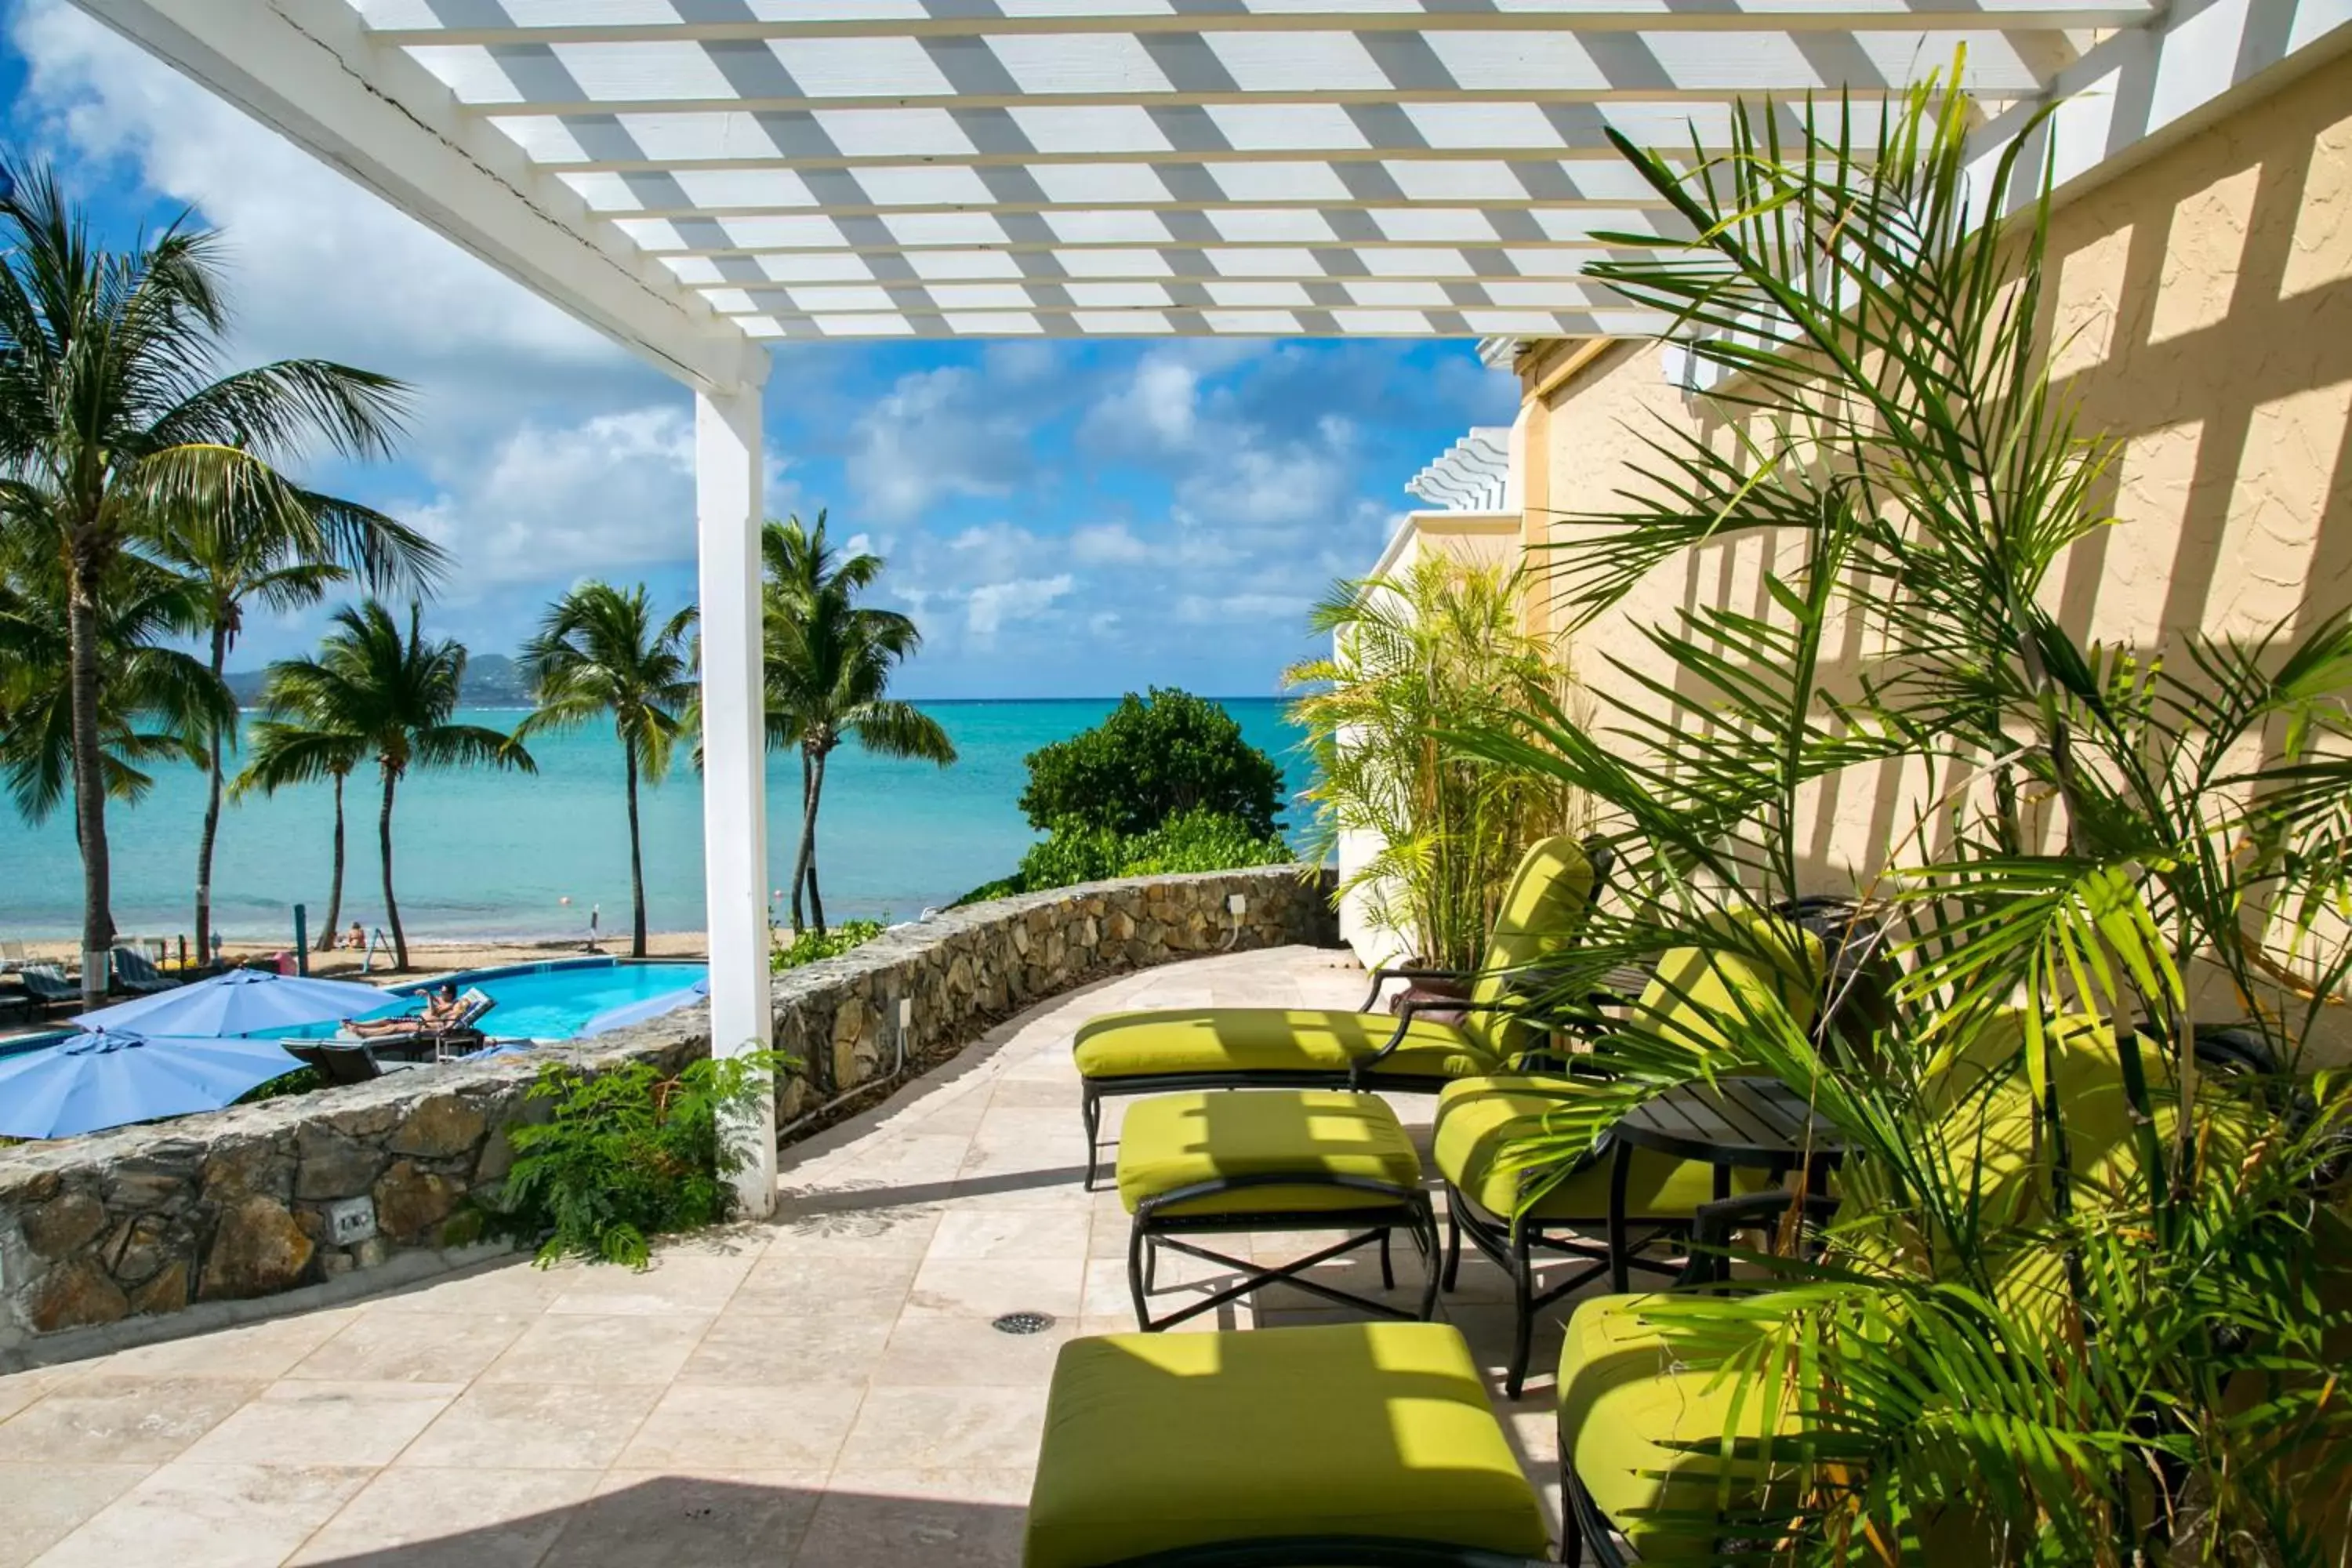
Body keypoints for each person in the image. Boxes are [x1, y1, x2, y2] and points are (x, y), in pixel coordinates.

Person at [345, 982, 464, 1038]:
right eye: (441, 991)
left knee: (395, 1027)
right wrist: (427, 994)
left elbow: (443, 1015)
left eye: (443, 992)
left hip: (427, 1026)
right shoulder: (441, 999)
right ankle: (357, 1024)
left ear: (451, 994)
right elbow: (433, 1003)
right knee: (388, 1019)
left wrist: (447, 1029)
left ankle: (363, 1032)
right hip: (419, 1019)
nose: (440, 993)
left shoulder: (455, 1004)